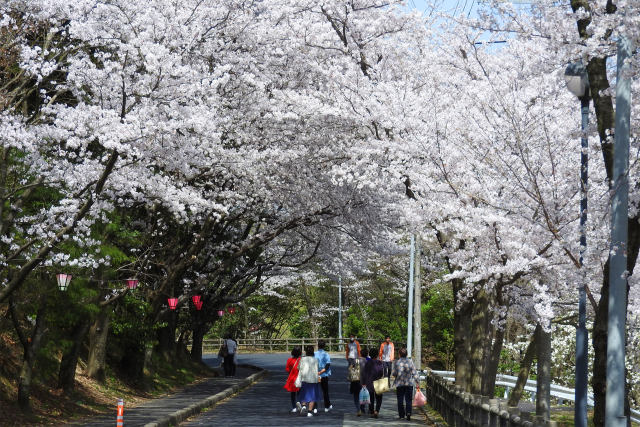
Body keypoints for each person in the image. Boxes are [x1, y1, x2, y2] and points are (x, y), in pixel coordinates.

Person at [391, 347, 420, 421]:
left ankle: (401, 415)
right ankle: (408, 412)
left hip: (399, 383)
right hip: (409, 383)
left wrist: (397, 374)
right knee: (409, 399)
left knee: (400, 399)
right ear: (407, 354)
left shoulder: (397, 362)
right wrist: (417, 381)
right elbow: (414, 372)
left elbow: (394, 373)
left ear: (399, 354)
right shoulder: (410, 362)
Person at [296, 345, 321, 417]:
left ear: (306, 352)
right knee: (312, 396)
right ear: (313, 352)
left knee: (304, 394)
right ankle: (309, 412)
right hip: (313, 379)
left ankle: (303, 406)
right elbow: (317, 368)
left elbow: (298, 368)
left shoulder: (302, 359)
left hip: (304, 379)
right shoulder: (316, 360)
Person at [362, 347, 385, 418]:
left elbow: (364, 373)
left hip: (369, 382)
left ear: (370, 354)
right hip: (378, 381)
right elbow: (381, 372)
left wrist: (363, 382)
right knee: (379, 398)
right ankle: (377, 411)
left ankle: (371, 411)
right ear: (377, 354)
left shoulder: (367, 362)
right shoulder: (379, 362)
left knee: (370, 398)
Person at [315, 340, 332, 412]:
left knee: (315, 391)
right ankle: (326, 406)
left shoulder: (314, 354)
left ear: (318, 345)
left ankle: (314, 407)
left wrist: (317, 372)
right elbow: (328, 365)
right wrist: (321, 372)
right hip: (324, 375)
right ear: (324, 346)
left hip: (315, 374)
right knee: (325, 391)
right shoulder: (326, 354)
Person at [349, 347, 368, 416]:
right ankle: (362, 408)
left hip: (356, 380)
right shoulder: (367, 361)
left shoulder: (355, 360)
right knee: (363, 395)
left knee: (356, 395)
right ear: (367, 354)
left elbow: (350, 368)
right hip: (364, 381)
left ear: (360, 353)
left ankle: (358, 409)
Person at [284, 347, 302, 413]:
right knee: (299, 392)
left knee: (293, 393)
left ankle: (294, 407)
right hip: (300, 378)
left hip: (292, 378)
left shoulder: (289, 360)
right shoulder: (301, 360)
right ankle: (299, 403)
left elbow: (287, 369)